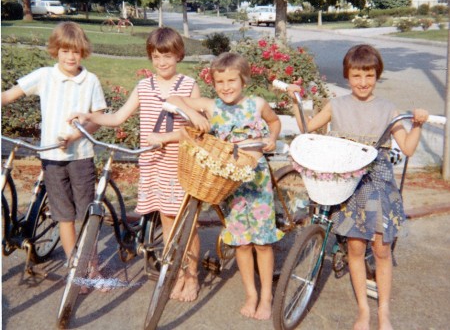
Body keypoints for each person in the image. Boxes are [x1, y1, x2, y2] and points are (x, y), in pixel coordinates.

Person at [287, 44, 429, 330]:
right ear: (346, 76)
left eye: (369, 75)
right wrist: (294, 100)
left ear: (377, 75)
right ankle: (364, 311)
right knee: (354, 247)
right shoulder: (337, 105)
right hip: (348, 184)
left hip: (377, 184)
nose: (362, 82)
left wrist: (418, 125)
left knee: (381, 250)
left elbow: (409, 148)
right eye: (356, 76)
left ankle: (384, 312)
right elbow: (307, 127)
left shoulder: (388, 109)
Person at [68, 26, 202, 302]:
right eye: (156, 56)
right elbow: (117, 117)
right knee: (166, 223)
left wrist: (165, 138)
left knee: (184, 225)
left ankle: (191, 276)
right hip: (152, 163)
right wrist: (87, 116)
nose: (162, 62)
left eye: (167, 56)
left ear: (179, 55)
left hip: (179, 164)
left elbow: (198, 130)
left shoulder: (188, 86)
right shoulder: (144, 86)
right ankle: (175, 273)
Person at [166, 52, 284, 320]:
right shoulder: (211, 106)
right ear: (213, 82)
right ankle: (251, 294)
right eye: (220, 81)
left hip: (256, 180)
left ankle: (266, 296)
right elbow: (172, 99)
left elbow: (274, 121)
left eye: (232, 80)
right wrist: (191, 114)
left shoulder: (256, 104)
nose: (226, 87)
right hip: (230, 185)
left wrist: (273, 137)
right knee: (241, 243)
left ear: (244, 80)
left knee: (263, 242)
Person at [1, 22, 107, 280]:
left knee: (85, 215)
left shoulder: (90, 80)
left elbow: (99, 115)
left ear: (83, 52)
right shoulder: (45, 75)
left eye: (75, 52)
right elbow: (8, 96)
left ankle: (91, 266)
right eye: (64, 51)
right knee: (64, 215)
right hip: (52, 158)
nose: (70, 57)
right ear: (55, 51)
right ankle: (75, 268)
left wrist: (77, 134)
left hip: (80, 156)